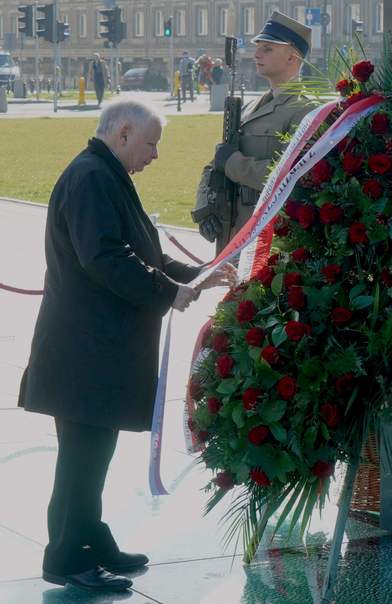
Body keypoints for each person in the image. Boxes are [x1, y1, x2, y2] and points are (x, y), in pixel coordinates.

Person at [18, 100, 234, 593]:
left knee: (91, 453)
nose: (155, 154)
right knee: (83, 455)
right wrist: (169, 292)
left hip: (91, 349)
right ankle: (68, 556)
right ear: (123, 133)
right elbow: (106, 259)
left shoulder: (103, 173)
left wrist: (196, 277)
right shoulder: (93, 177)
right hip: (85, 351)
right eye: (151, 142)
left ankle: (90, 539)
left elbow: (145, 254)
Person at [193, 11, 313, 253]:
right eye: (258, 47)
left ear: (293, 56)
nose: (257, 54)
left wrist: (233, 164)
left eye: (267, 48)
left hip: (269, 240)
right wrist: (205, 205)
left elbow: (294, 176)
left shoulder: (305, 110)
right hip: (233, 229)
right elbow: (218, 159)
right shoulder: (250, 107)